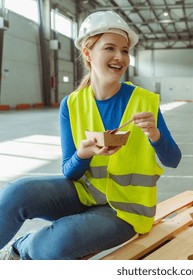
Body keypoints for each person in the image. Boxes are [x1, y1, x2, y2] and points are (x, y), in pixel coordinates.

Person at [0, 11, 182, 260]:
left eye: (125, 50)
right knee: (17, 193)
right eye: (110, 48)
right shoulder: (72, 104)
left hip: (127, 210)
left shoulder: (144, 101)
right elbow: (70, 172)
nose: (120, 57)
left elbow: (173, 160)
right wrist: (84, 153)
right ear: (88, 53)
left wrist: (155, 134)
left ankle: (22, 246)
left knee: (63, 239)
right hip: (85, 193)